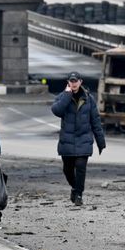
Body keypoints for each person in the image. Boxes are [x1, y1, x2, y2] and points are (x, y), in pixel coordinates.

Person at [51, 71, 106, 206]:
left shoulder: (89, 99)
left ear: (80, 82)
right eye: (71, 81)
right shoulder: (62, 97)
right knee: (67, 170)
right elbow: (57, 111)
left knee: (80, 167)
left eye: (76, 81)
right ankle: (75, 188)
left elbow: (95, 121)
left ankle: (79, 194)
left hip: (84, 140)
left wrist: (100, 141)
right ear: (68, 82)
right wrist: (67, 95)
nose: (74, 83)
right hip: (67, 141)